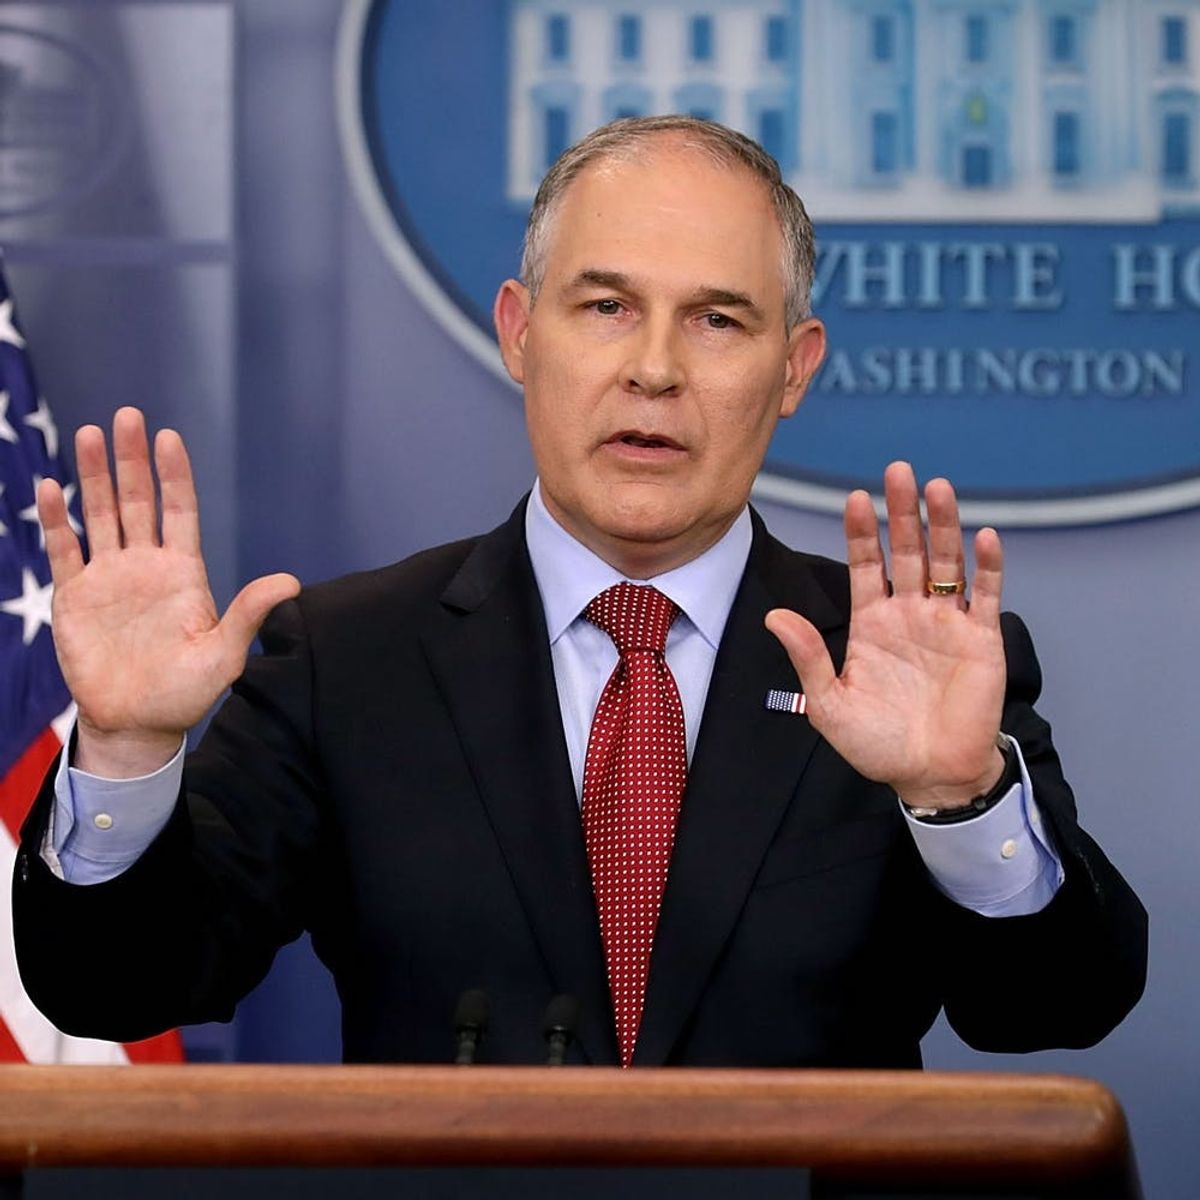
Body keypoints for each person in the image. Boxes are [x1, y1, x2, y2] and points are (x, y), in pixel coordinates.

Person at [14, 117, 1145, 1067]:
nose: (654, 368)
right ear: (520, 332)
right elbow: (116, 987)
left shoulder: (888, 662)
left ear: (794, 368)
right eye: (606, 306)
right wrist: (126, 753)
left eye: (717, 320)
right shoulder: (347, 660)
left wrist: (959, 800)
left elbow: (1057, 1006)